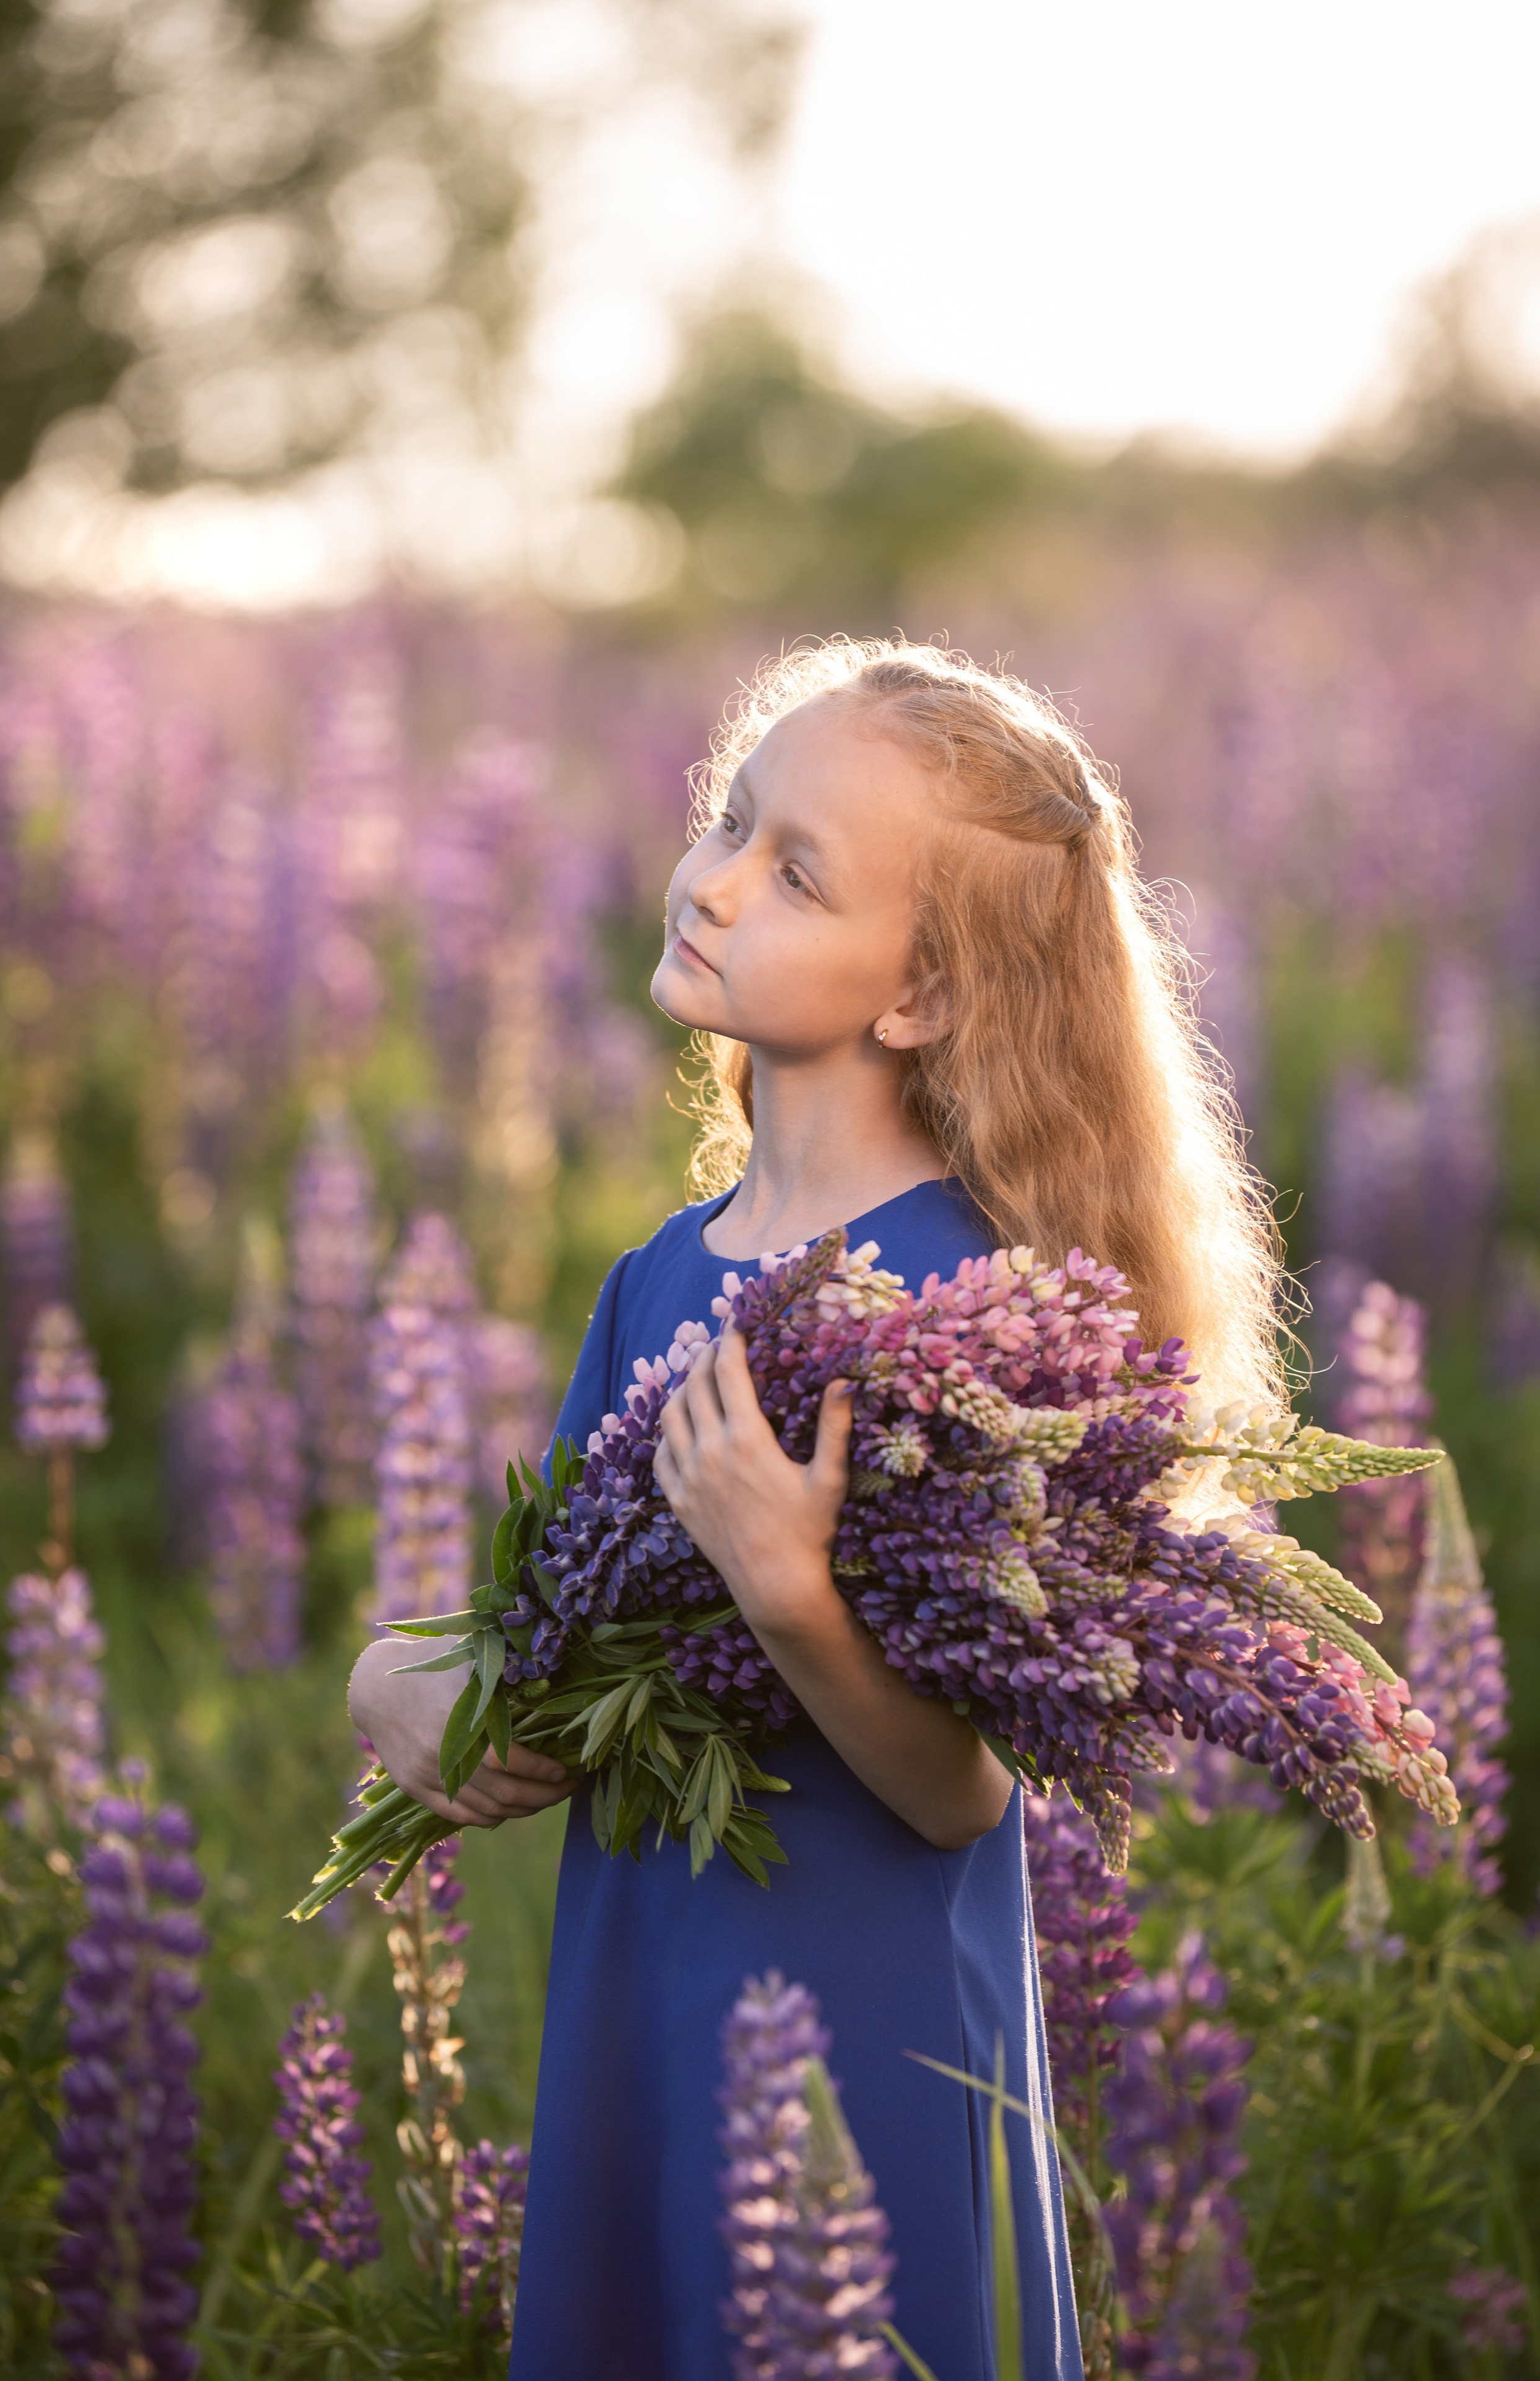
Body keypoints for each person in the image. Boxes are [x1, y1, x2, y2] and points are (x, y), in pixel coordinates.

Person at [349, 638, 1283, 2380]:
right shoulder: (657, 1277)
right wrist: (398, 1681)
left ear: (917, 994)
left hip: (870, 2018)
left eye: (796, 873)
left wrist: (790, 1590)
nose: (712, 880)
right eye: (732, 819)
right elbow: (553, 1640)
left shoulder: (982, 1313)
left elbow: (962, 1791)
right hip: (649, 1986)